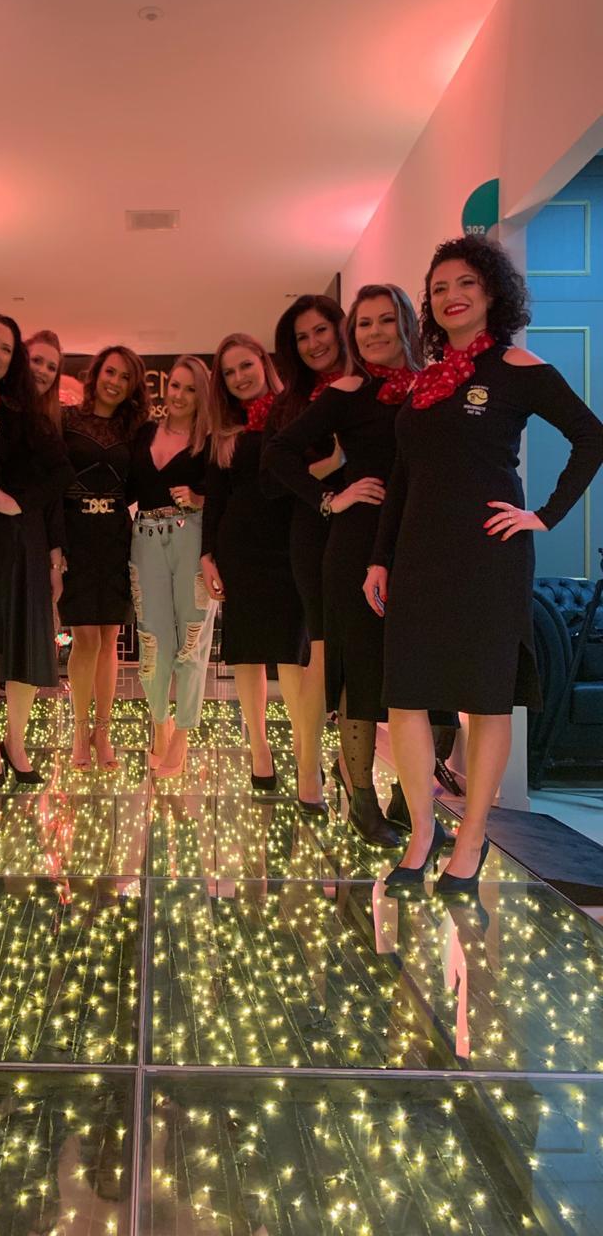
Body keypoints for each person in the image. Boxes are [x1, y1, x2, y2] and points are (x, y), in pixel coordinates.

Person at [364, 236, 603, 891]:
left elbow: (591, 437)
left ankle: (471, 841)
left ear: (492, 291)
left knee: (488, 699)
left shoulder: (517, 366)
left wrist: (543, 515)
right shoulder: (425, 381)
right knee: (406, 697)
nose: (451, 296)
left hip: (489, 557)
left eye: (465, 282)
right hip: (418, 557)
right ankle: (422, 834)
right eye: (439, 288)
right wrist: (379, 559)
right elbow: (403, 475)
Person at [264, 285, 426, 845]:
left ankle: (410, 799)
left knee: (424, 673)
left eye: (385, 320)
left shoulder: (434, 387)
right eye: (365, 323)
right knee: (357, 672)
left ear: (408, 323)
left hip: (420, 542)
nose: (375, 332)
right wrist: (331, 497)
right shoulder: (347, 391)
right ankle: (361, 800)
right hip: (356, 541)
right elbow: (276, 456)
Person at [0, 315, 72, 791]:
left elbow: (59, 480)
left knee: (26, 645)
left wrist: (21, 504)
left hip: (23, 539)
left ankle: (15, 741)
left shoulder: (32, 418)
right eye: (35, 360)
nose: (42, 370)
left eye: (52, 365)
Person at [200, 332, 307, 792]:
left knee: (294, 654)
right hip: (240, 549)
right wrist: (207, 556)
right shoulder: (223, 432)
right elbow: (215, 499)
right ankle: (260, 751)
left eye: (246, 365)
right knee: (246, 654)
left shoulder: (297, 414)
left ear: (264, 364)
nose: (240, 377)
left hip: (291, 545)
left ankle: (305, 751)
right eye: (229, 372)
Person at [271, 294, 347, 810]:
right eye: (302, 337)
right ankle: (307, 767)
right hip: (313, 531)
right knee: (318, 649)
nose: (313, 343)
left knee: (362, 654)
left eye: (321, 330)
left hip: (371, 529)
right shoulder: (292, 405)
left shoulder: (372, 387)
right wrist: (329, 474)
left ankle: (354, 770)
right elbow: (272, 480)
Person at [60, 346, 149, 769]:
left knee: (110, 638)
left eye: (125, 377)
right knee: (85, 638)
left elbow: (141, 483)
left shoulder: (135, 430)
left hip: (116, 535)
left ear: (133, 387)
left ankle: (103, 731)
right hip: (75, 533)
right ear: (95, 373)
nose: (115, 381)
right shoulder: (65, 421)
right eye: (110, 371)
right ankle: (80, 732)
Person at [128, 356, 216, 776]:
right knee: (152, 640)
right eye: (176, 386)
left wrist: (200, 499)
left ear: (203, 396)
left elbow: (229, 494)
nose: (179, 395)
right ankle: (159, 723)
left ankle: (182, 734)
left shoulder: (210, 441)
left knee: (193, 640)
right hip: (145, 539)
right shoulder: (145, 432)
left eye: (190, 389)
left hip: (191, 539)